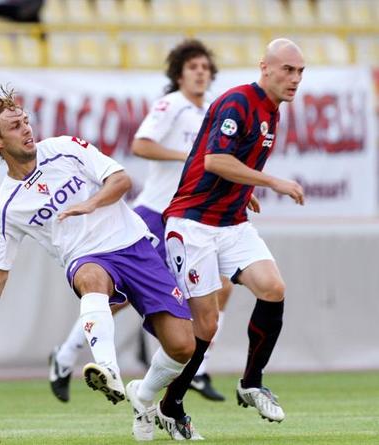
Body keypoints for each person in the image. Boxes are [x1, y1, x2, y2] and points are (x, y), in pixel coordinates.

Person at [0, 87, 199, 441]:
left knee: (183, 346)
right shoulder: (7, 207)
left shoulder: (65, 148)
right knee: (92, 278)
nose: (27, 129)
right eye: (15, 126)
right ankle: (107, 370)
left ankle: (144, 395)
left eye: (26, 121)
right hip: (86, 259)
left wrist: (92, 203)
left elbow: (121, 179)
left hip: (135, 246)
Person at [48, 39, 229, 406]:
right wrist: (191, 156)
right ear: (179, 73)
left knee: (218, 286)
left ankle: (200, 365)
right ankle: (65, 355)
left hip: (193, 216)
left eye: (205, 67)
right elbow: (142, 145)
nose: (200, 72)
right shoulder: (171, 105)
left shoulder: (211, 111)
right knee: (123, 298)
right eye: (192, 67)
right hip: (156, 215)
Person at [157, 38, 306, 437]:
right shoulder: (238, 101)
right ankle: (170, 405)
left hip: (232, 221)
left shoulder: (272, 112)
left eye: (300, 72)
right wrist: (271, 181)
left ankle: (251, 383)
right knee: (204, 327)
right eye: (288, 70)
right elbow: (215, 160)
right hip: (193, 222)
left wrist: (246, 190)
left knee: (273, 288)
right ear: (265, 67)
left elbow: (231, 164)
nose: (295, 79)